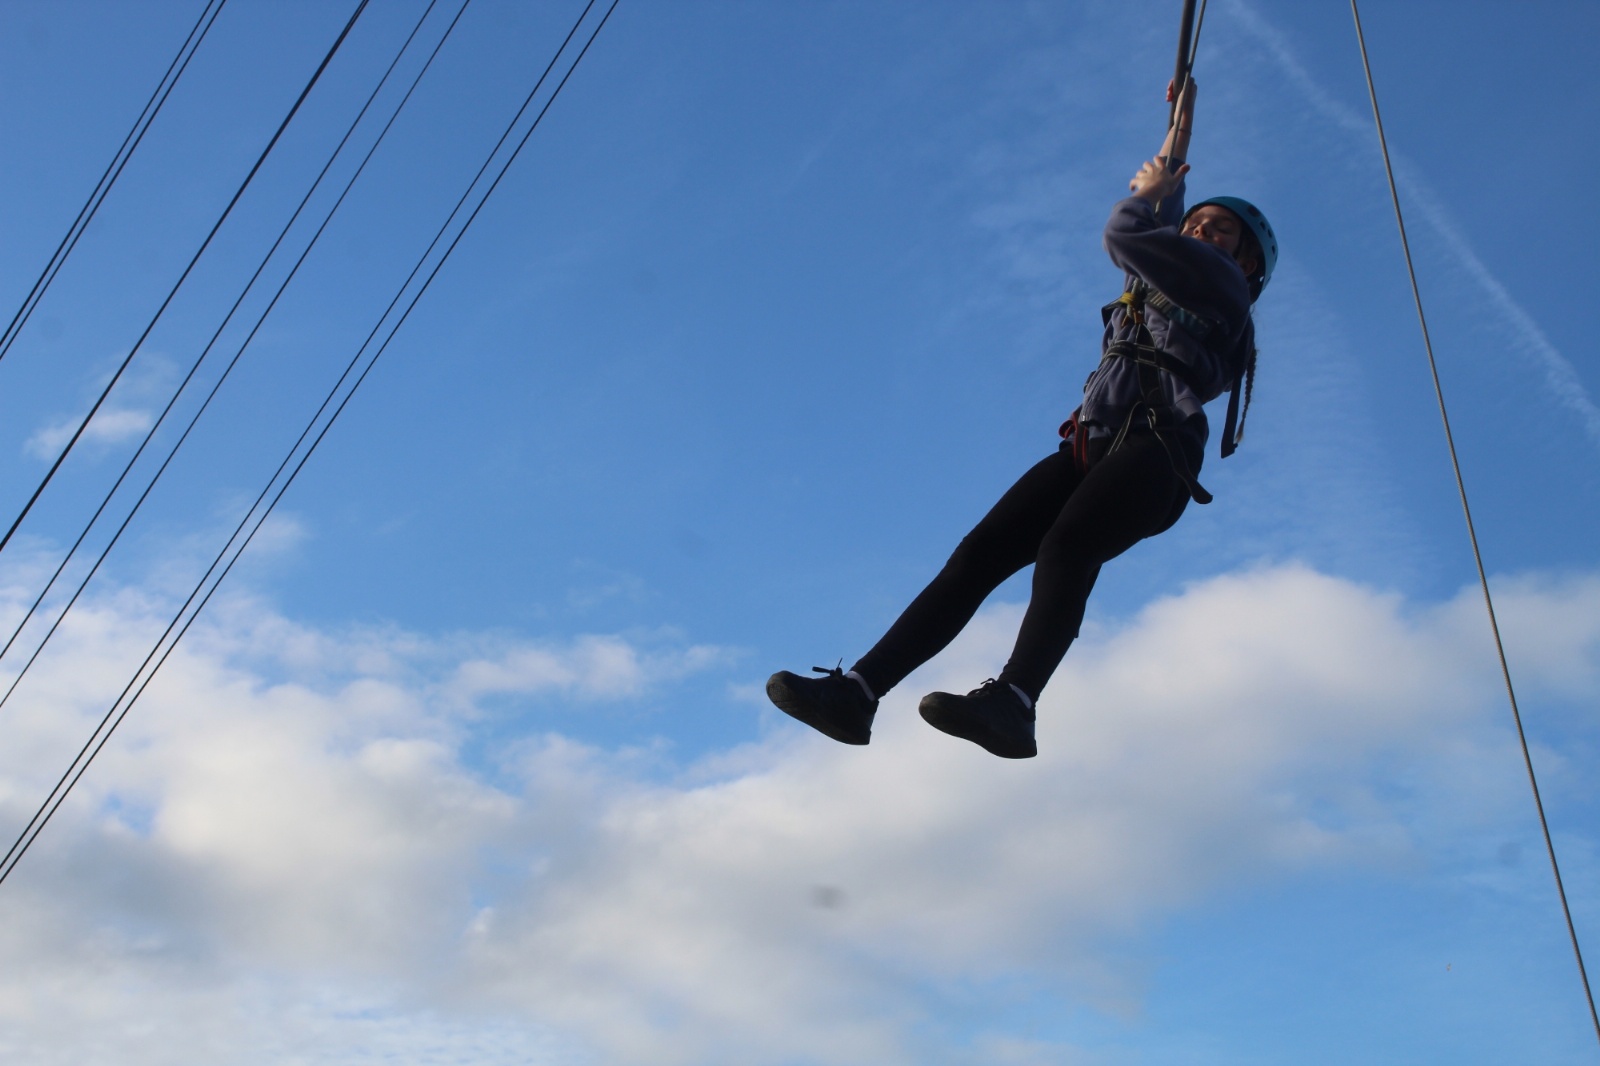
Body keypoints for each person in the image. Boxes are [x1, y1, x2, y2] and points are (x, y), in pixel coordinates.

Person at [766, 79, 1276, 759]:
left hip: (1159, 450)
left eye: (1222, 230)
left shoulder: (1220, 283)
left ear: (1246, 261)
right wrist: (1180, 129)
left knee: (1069, 546)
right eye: (1197, 223)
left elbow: (1127, 229)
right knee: (978, 555)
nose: (1202, 230)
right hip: (1094, 442)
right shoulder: (1171, 270)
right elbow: (1166, 205)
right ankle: (858, 692)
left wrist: (1151, 194)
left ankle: (1015, 702)